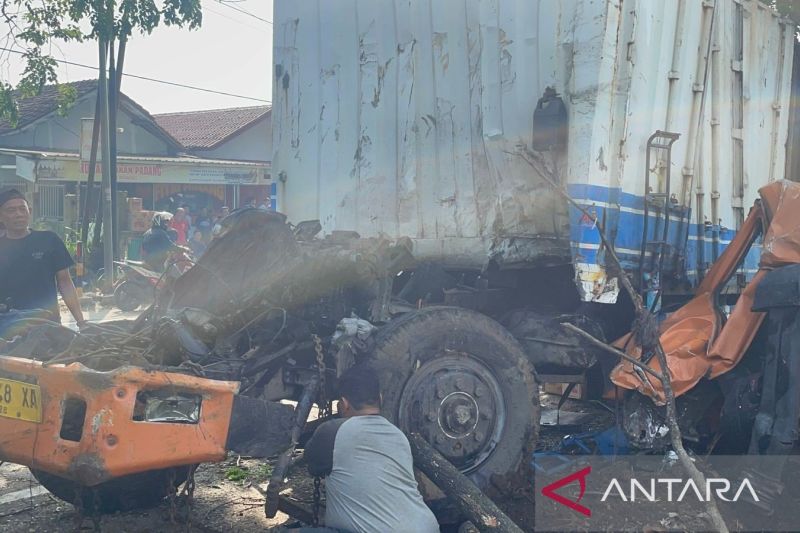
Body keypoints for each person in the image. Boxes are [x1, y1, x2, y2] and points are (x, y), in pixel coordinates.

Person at [304, 365, 439, 533]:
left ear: (344, 404)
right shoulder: (398, 435)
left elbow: (313, 466)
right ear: (380, 399)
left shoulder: (332, 431)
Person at [0, 188, 86, 326]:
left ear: (30, 212)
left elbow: (65, 283)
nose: (18, 214)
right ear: (1, 216)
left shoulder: (49, 240)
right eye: (11, 210)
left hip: (47, 325)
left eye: (22, 209)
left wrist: (81, 322)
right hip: (6, 327)